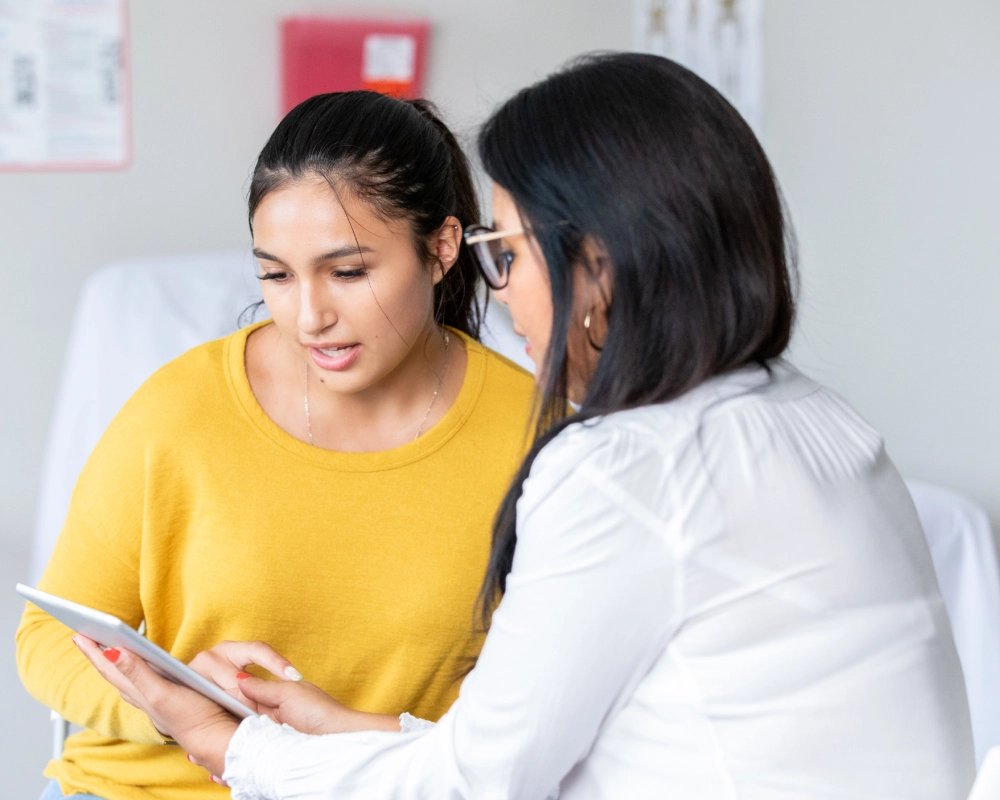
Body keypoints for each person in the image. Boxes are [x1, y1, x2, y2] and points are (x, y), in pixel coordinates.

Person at [76, 53, 976, 799]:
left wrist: (222, 743)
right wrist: (342, 725)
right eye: (277, 275)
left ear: (598, 265)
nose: (501, 298)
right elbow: (533, 745)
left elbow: (478, 786)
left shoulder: (624, 468)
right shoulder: (824, 424)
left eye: (504, 253)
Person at [18, 90, 537, 800]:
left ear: (442, 248)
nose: (309, 317)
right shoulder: (182, 409)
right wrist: (176, 708)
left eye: (348, 272)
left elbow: (534, 718)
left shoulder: (536, 438)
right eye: (276, 276)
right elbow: (47, 639)